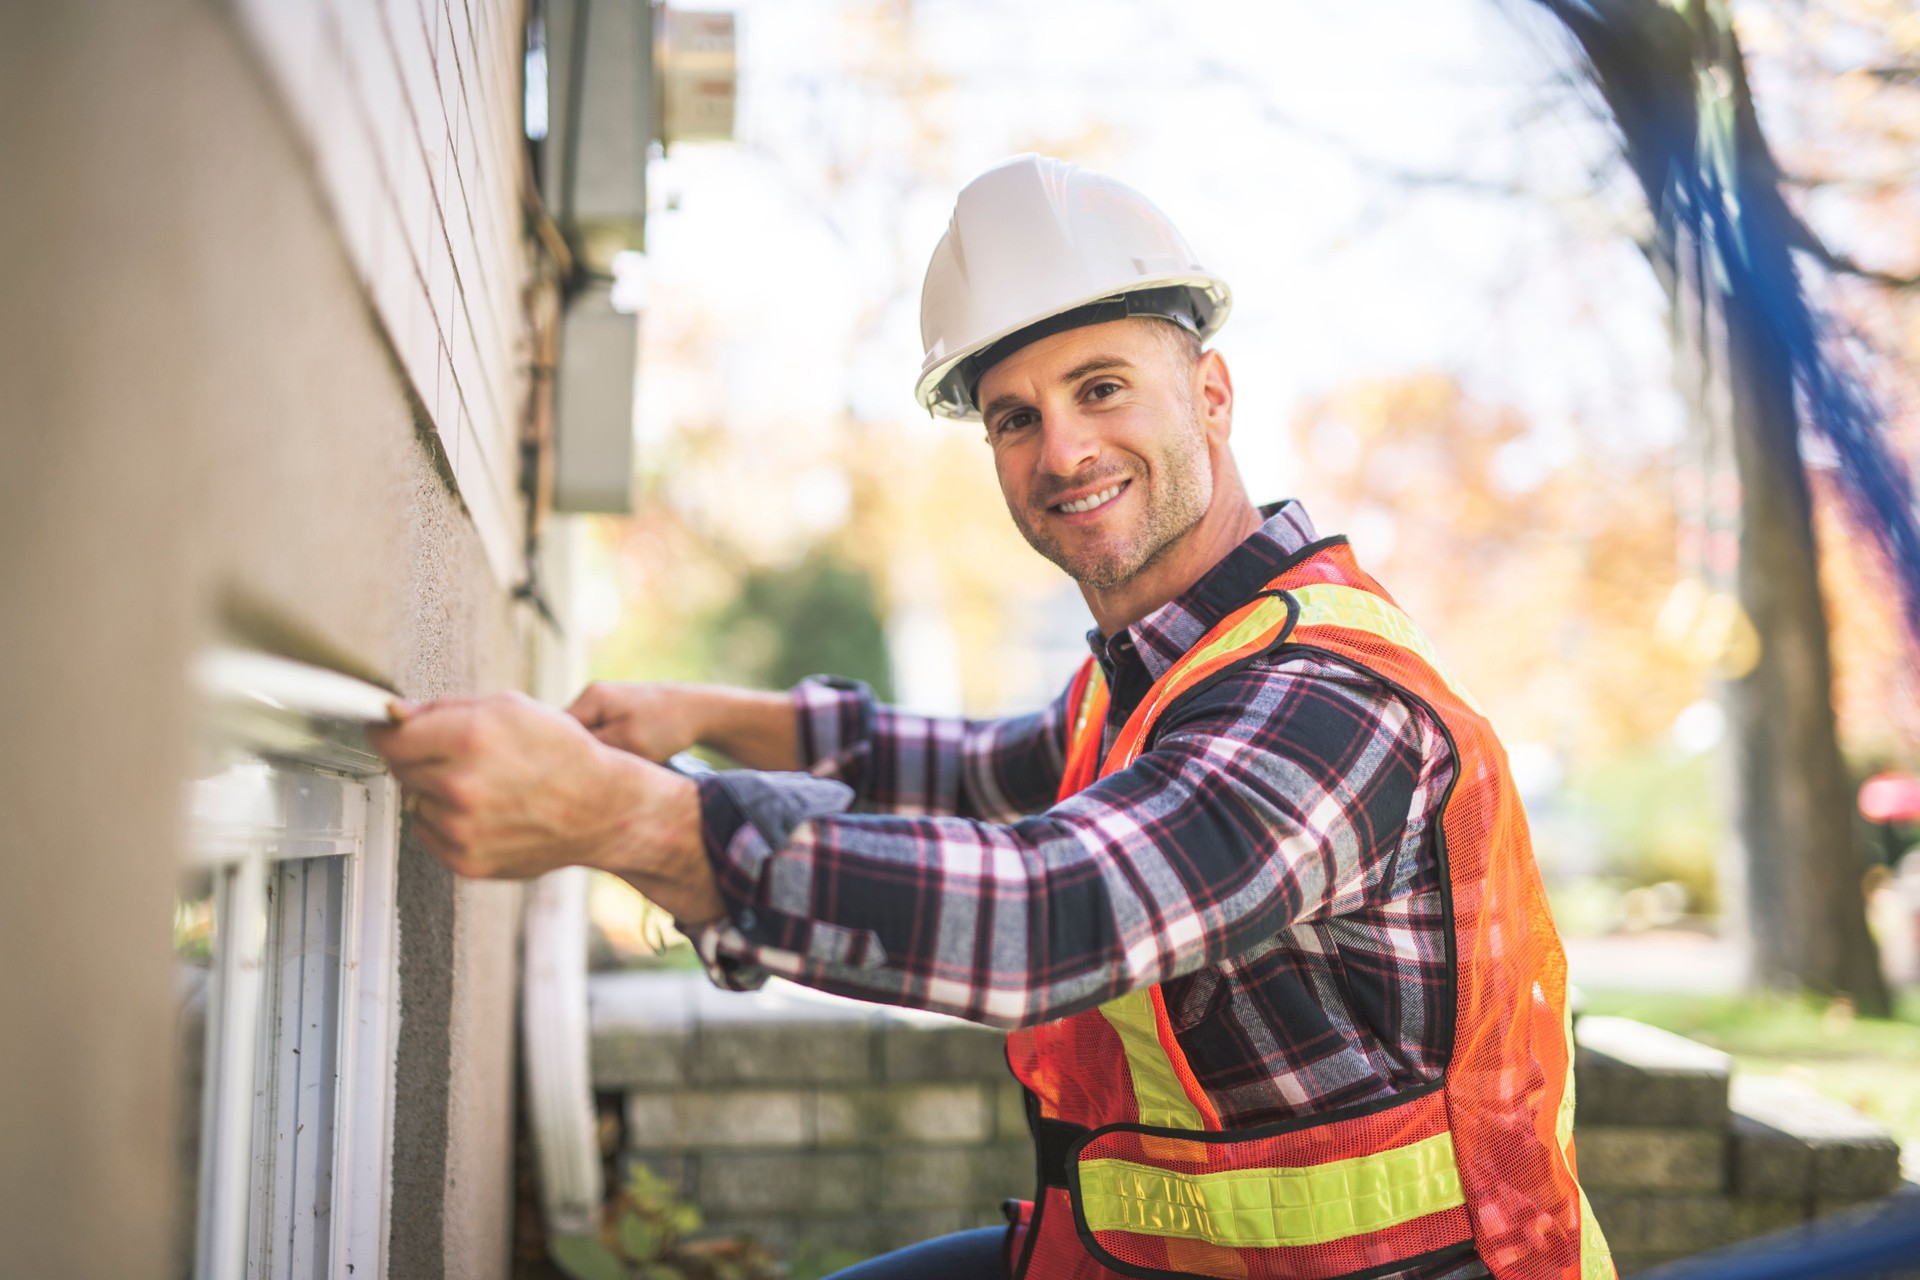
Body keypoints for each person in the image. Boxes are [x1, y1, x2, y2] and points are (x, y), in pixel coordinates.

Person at [371, 155, 1613, 1280]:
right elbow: (984, 771)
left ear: (1213, 393)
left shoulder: (1325, 702)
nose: (1061, 449)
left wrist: (633, 821)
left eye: (1102, 386)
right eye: (1014, 416)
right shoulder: (1158, 674)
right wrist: (693, 711)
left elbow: (1048, 912)